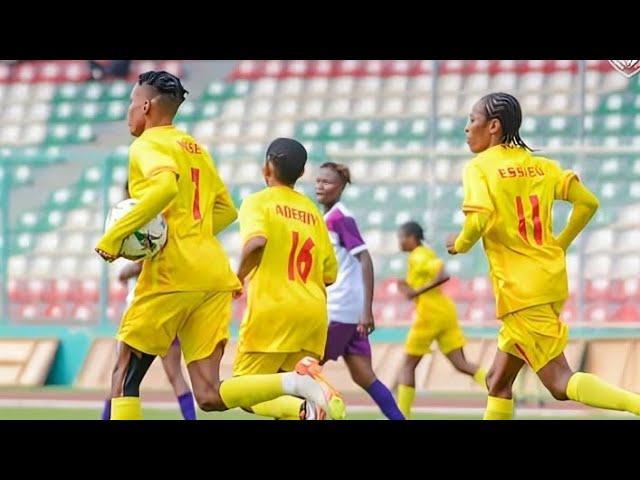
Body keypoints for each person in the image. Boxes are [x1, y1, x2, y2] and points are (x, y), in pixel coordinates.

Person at [95, 71, 339, 420]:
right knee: (209, 395)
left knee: (122, 378)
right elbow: (226, 210)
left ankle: (295, 388)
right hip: (212, 276)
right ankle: (295, 389)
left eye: (131, 104)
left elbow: (164, 189)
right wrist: (189, 232)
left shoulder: (147, 145)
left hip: (172, 276)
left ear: (146, 106)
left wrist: (112, 238)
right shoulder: (195, 148)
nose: (129, 112)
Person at [447, 91, 640, 419]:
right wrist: (560, 244)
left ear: (493, 126)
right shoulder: (542, 166)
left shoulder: (479, 168)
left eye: (472, 120)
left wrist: (460, 244)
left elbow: (477, 220)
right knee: (497, 381)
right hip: (547, 281)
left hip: (520, 292)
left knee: (559, 383)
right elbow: (588, 202)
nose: (467, 128)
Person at [233, 138, 346, 420]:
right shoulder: (312, 212)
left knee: (244, 392)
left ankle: (304, 409)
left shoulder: (257, 202)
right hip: (312, 315)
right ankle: (306, 405)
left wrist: (238, 277)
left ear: (267, 167)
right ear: (302, 172)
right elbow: (330, 274)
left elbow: (257, 242)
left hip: (273, 313)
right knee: (287, 387)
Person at [315, 162, 404, 420]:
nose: (320, 186)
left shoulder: (340, 218)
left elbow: (365, 258)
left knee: (304, 370)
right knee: (364, 376)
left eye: (327, 182)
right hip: (348, 311)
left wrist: (367, 311)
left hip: (340, 309)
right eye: (318, 180)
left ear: (341, 187)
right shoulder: (328, 218)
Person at [100, 181, 196, 420]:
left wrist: (127, 269)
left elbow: (146, 260)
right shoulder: (164, 217)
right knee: (176, 376)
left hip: (144, 305)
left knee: (121, 373)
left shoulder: (145, 216)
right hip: (170, 304)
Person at [397, 221, 486, 419]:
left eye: (402, 237)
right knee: (461, 364)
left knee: (408, 365)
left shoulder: (418, 256)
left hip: (429, 315)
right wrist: (409, 290)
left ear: (412, 238)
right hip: (445, 312)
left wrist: (415, 292)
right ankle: (500, 391)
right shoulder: (425, 253)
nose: (400, 242)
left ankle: (401, 416)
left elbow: (443, 274)